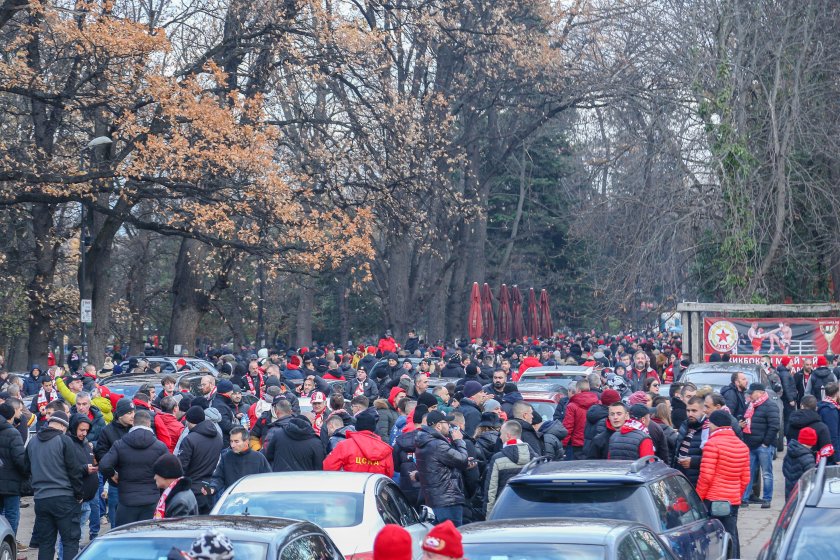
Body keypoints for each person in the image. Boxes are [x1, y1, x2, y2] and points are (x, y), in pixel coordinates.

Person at [25, 410, 83, 560]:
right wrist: (79, 494)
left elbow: (26, 469)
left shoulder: (32, 442)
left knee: (46, 543)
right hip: (64, 498)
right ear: (63, 426)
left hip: (41, 499)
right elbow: (74, 470)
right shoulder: (64, 440)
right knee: (70, 541)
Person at [695, 410, 750, 558]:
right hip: (733, 499)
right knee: (731, 533)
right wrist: (736, 495)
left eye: (710, 423)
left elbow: (706, 476)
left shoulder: (712, 444)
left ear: (715, 424)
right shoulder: (742, 446)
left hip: (713, 499)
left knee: (713, 536)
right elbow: (745, 479)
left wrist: (698, 498)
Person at [99, 409, 168, 526]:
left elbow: (104, 465)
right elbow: (169, 470)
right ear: (149, 424)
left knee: (126, 539)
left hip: (127, 500)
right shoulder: (160, 446)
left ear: (134, 423)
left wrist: (113, 474)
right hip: (151, 500)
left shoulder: (120, 444)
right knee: (148, 538)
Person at [415, 411, 469, 526]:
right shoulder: (438, 444)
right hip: (448, 500)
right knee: (452, 538)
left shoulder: (426, 442)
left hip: (437, 499)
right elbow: (462, 460)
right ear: (439, 425)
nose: (449, 426)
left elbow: (435, 469)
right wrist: (459, 440)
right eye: (447, 423)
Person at [94, 398, 135, 526]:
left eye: (133, 412)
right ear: (120, 415)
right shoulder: (107, 431)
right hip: (116, 483)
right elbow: (101, 455)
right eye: (129, 413)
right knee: (116, 522)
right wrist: (111, 473)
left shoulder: (136, 428)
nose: (132, 415)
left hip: (136, 482)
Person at [177, 406, 224, 514]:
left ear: (189, 421)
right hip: (208, 486)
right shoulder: (217, 436)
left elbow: (181, 467)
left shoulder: (190, 439)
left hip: (192, 489)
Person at [740, 383, 780, 508]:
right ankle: (744, 499)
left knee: (766, 474)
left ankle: (767, 499)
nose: (749, 395)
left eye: (751, 393)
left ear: (760, 392)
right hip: (750, 445)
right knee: (749, 473)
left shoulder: (770, 406)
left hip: (764, 447)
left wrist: (765, 443)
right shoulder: (751, 406)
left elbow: (774, 426)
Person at [483, 420, 534, 516]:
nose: (500, 437)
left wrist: (489, 514)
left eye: (501, 434)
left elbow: (491, 490)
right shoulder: (535, 458)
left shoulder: (498, 458)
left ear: (508, 436)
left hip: (503, 509)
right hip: (528, 509)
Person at [324, 408, 395, 476]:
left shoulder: (345, 445)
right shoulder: (385, 449)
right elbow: (389, 474)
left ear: (357, 427)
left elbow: (328, 467)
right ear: (374, 428)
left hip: (350, 486)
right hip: (373, 487)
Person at [209, 426, 272, 497]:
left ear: (246, 441)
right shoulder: (226, 457)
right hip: (232, 499)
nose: (232, 445)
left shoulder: (258, 457)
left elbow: (267, 480)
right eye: (231, 441)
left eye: (236, 441)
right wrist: (212, 488)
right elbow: (218, 477)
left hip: (253, 500)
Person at [263, 400, 325, 472]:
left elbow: (268, 456)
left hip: (280, 478)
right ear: (312, 422)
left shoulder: (278, 434)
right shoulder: (316, 442)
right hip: (305, 480)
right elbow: (319, 468)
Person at [0, 403, 26, 550]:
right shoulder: (12, 433)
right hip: (11, 484)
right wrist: (27, 474)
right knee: (11, 515)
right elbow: (20, 460)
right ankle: (10, 546)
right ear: (11, 416)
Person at [672, 396, 708, 487]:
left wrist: (693, 462)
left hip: (697, 478)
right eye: (688, 411)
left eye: (694, 411)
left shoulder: (708, 428)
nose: (690, 414)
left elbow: (711, 458)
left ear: (703, 410)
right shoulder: (685, 425)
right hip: (681, 475)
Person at [788, 395, 833, 462]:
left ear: (801, 405)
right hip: (814, 466)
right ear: (816, 408)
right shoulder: (822, 427)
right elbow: (827, 453)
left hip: (793, 464)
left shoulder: (792, 423)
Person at [153, 454, 198, 519]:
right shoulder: (178, 493)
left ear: (165, 475)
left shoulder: (180, 502)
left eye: (157, 474)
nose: (154, 477)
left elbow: (177, 528)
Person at [783, 427, 818, 500]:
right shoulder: (808, 457)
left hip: (789, 491)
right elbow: (811, 478)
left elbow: (784, 470)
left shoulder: (790, 452)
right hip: (802, 494)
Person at [817, 383, 840, 464]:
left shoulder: (822, 404)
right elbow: (833, 434)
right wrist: (837, 457)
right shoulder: (830, 410)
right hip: (830, 453)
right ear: (837, 393)